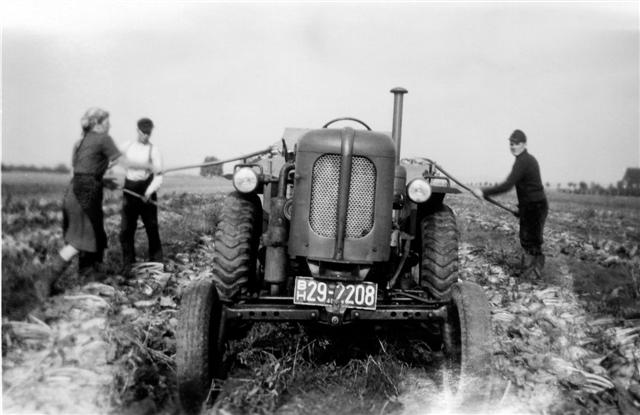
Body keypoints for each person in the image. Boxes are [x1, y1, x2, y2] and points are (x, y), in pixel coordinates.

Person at [472, 129, 548, 279]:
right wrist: (522, 209)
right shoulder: (523, 160)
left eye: (516, 144)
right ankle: (529, 273)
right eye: (511, 144)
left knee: (531, 241)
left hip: (535, 206)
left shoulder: (524, 161)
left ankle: (532, 276)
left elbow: (508, 185)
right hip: (531, 206)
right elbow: (526, 188)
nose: (513, 146)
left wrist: (484, 192)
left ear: (524, 144)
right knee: (528, 240)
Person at [118, 118, 164, 278]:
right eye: (143, 133)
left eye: (148, 133)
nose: (146, 136)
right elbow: (112, 159)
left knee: (152, 229)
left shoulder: (154, 150)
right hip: (130, 190)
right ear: (137, 131)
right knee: (125, 230)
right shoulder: (127, 146)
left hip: (146, 191)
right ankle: (128, 266)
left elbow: (158, 176)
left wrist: (148, 192)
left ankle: (157, 265)